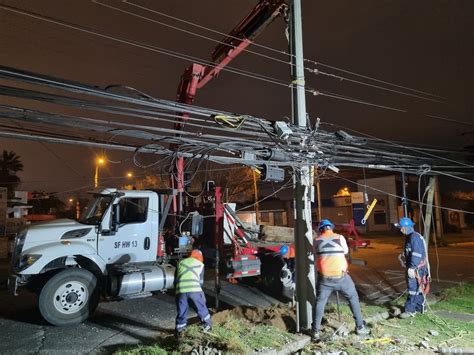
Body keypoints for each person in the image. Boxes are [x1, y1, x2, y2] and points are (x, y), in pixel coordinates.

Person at [311, 219, 370, 341]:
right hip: (341, 278)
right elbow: (346, 251)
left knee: (320, 302)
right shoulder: (340, 237)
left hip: (325, 279)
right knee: (353, 297)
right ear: (331, 228)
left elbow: (315, 254)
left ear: (321, 229)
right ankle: (360, 327)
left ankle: (315, 331)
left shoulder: (316, 240)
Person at [396, 217, 429, 318]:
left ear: (407, 228)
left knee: (412, 289)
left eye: (401, 228)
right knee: (418, 289)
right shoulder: (411, 237)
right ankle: (420, 307)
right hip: (418, 268)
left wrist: (412, 268)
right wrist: (404, 254)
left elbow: (417, 254)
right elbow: (412, 251)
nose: (400, 230)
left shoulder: (413, 237)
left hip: (416, 269)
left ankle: (410, 310)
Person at [175, 249, 212, 338]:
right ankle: (207, 326)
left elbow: (176, 279)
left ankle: (180, 331)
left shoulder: (181, 262)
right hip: (194, 289)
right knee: (201, 307)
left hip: (181, 290)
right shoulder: (200, 264)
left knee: (182, 310)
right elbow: (201, 282)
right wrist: (201, 295)